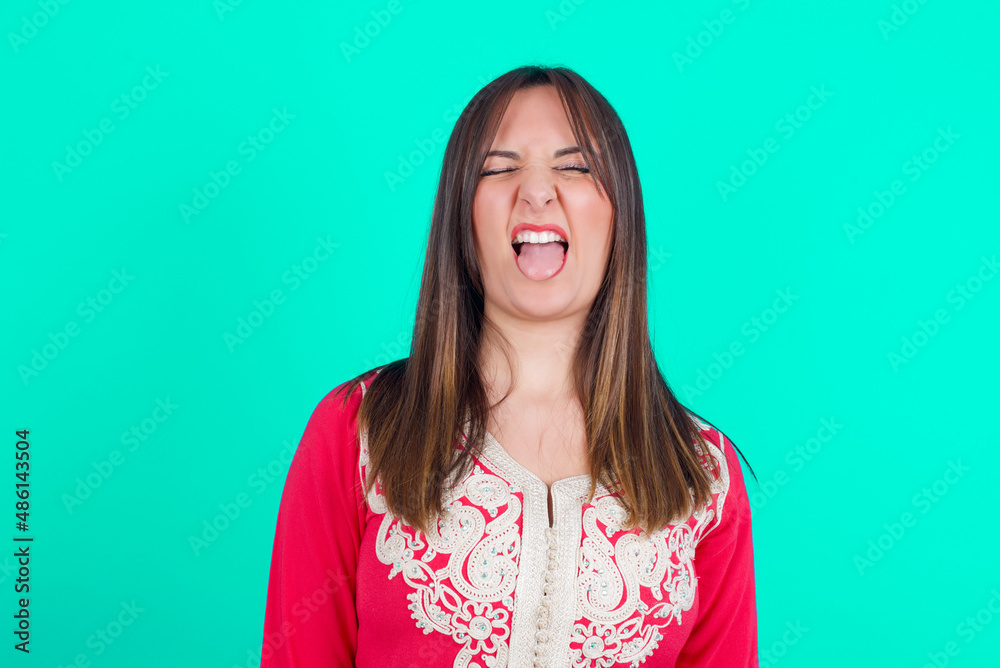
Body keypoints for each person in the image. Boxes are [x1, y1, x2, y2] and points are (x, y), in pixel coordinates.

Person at [260, 65, 759, 667]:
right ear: (461, 218)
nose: (537, 191)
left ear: (620, 214)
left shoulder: (701, 474)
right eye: (499, 168)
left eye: (574, 166)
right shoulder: (360, 432)